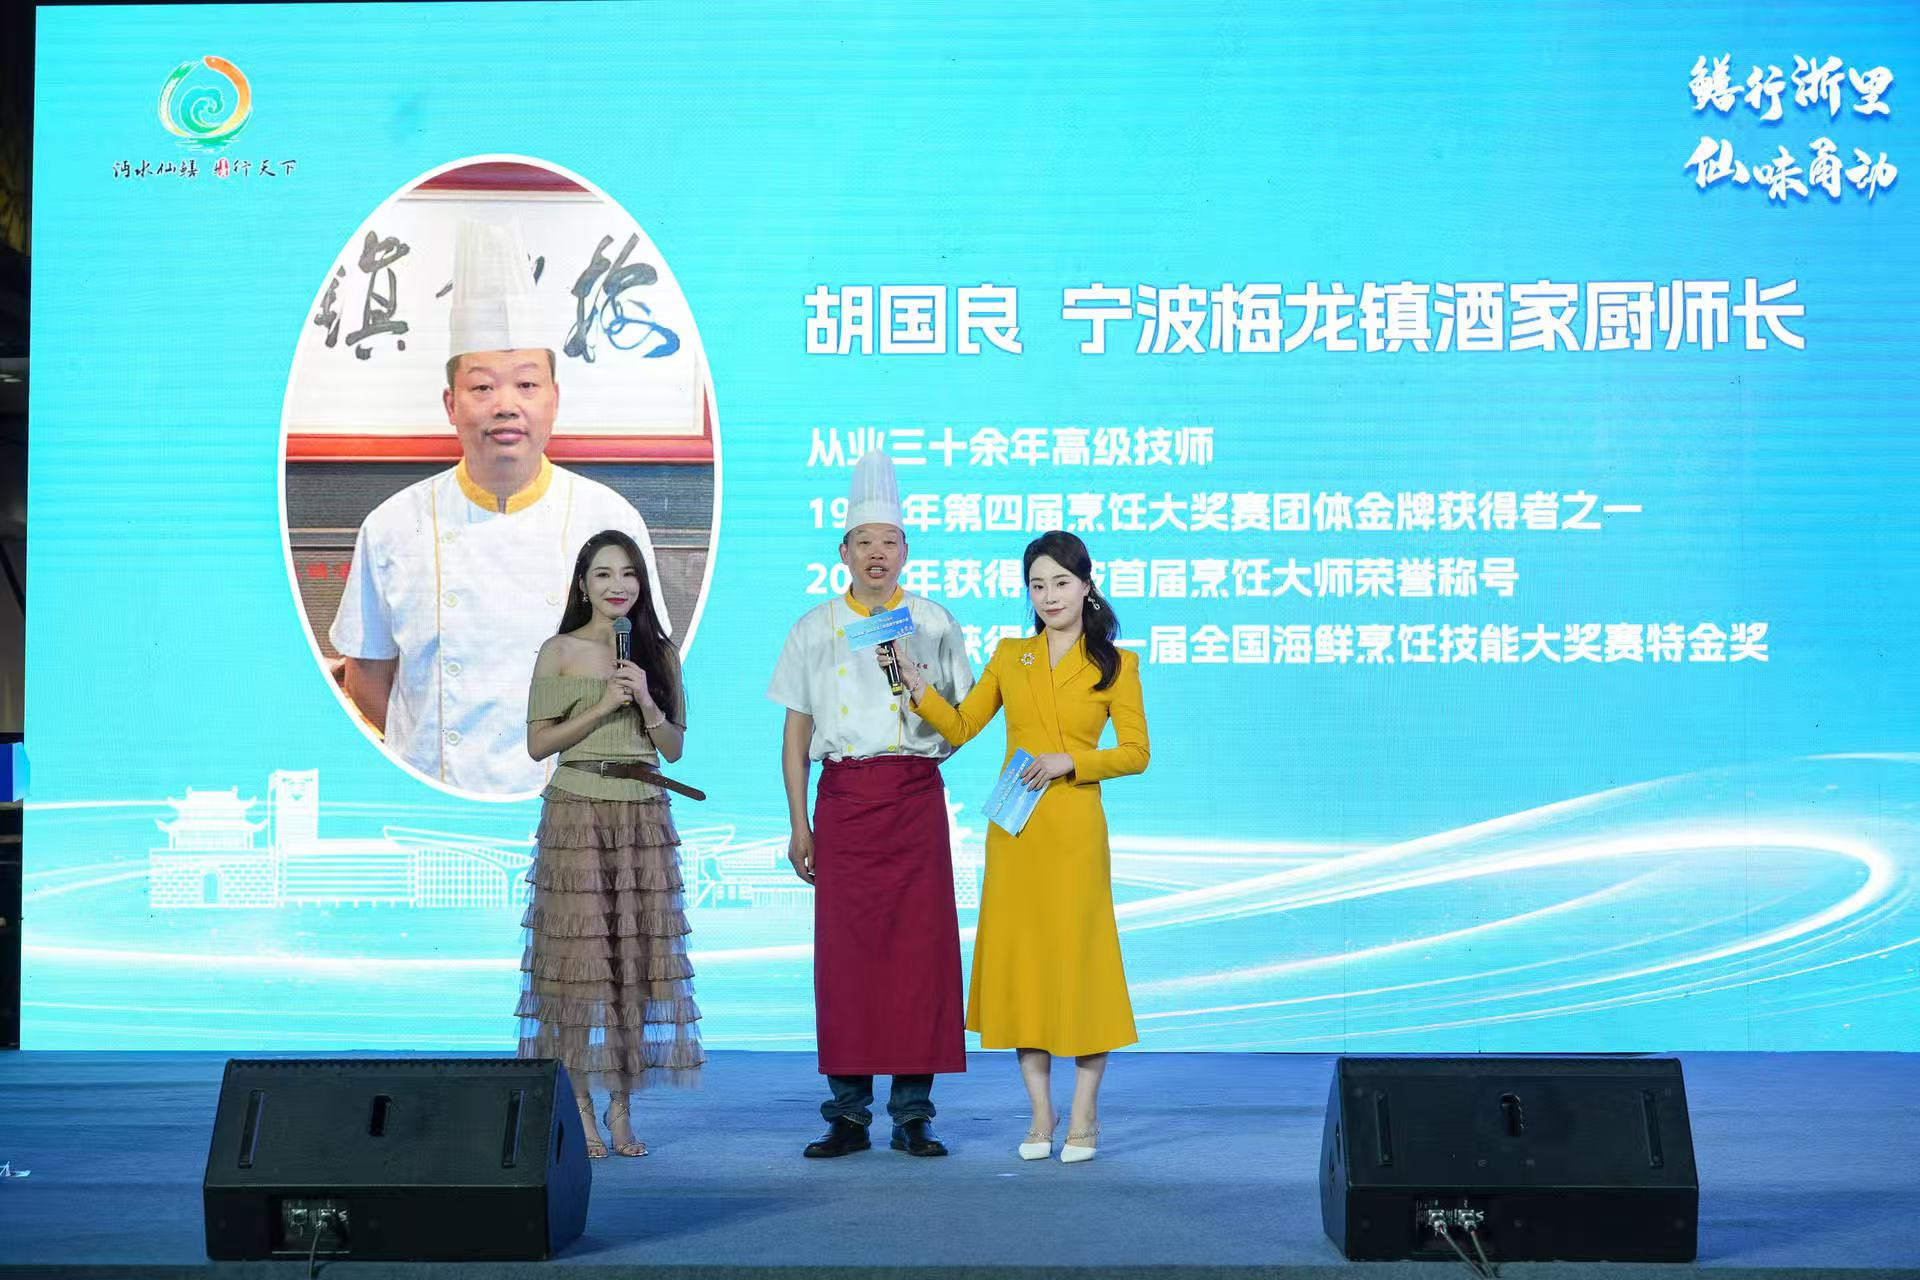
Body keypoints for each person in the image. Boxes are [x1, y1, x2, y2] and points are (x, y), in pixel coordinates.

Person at [330, 219, 669, 797]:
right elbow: (368, 678)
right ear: (451, 404)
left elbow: (650, 668)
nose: (505, 405)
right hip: (435, 800)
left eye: (527, 386)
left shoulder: (610, 521)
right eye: (483, 387)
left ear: (555, 400)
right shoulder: (392, 526)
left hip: (575, 805)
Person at [895, 530, 1148, 1164]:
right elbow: (961, 726)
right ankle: (1041, 1114)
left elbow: (1136, 753)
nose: (1050, 595)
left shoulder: (1117, 665)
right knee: (1026, 966)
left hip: (1075, 829)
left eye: (1061, 582)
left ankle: (1085, 1113)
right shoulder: (1012, 656)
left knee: (1081, 967)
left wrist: (1073, 761)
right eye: (1038, 585)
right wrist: (915, 683)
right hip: (1017, 830)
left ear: (1086, 586)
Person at [766, 451, 977, 1159]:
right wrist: (799, 822)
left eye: (889, 541)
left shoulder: (934, 622)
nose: (876, 554)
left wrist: (917, 714)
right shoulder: (813, 626)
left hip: (913, 800)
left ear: (906, 551)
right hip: (846, 801)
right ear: (844, 552)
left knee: (920, 958)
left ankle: (914, 1113)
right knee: (847, 961)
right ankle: (848, 1114)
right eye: (864, 542)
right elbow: (796, 733)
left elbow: (961, 723)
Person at [519, 529, 701, 1158]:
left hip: (642, 816)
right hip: (577, 811)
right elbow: (539, 745)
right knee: (577, 968)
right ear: (582, 585)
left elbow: (673, 748)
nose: (617, 586)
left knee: (633, 969)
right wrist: (600, 707)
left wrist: (645, 697)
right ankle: (580, 1109)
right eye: (603, 574)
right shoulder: (560, 651)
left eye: (628, 574)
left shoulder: (658, 654)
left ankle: (621, 1108)